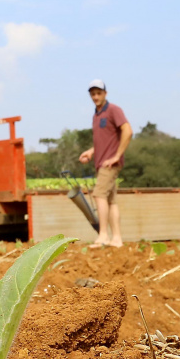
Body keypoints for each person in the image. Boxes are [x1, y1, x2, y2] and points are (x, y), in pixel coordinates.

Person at [79, 79, 132, 248]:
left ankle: (103, 235)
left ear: (105, 93)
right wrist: (91, 151)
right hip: (101, 161)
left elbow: (128, 130)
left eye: (98, 93)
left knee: (98, 195)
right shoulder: (96, 115)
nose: (95, 96)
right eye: (93, 94)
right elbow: (104, 139)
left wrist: (117, 156)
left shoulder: (114, 110)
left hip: (109, 164)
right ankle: (116, 239)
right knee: (111, 201)